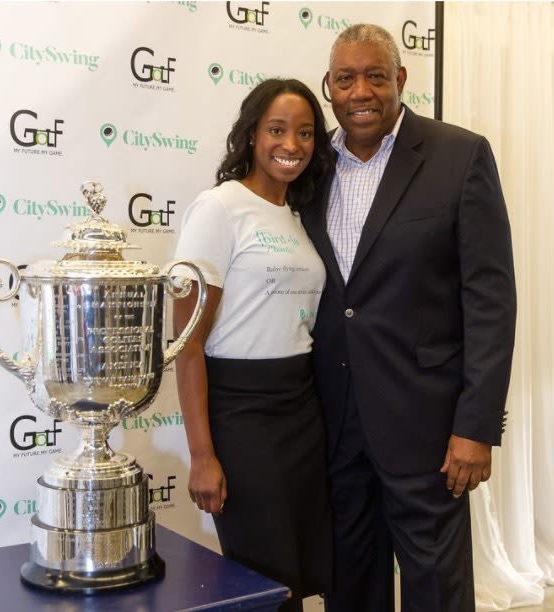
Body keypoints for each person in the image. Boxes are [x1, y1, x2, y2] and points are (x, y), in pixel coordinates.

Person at [299, 24, 517, 612]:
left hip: (428, 426)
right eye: (345, 79)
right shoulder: (310, 171)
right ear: (330, 87)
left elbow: (491, 302)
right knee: (351, 582)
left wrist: (476, 426)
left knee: (436, 588)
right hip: (336, 420)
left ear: (400, 79)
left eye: (375, 75)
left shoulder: (460, 156)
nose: (360, 91)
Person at [172, 78, 334, 612]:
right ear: (251, 135)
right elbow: (187, 344)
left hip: (302, 410)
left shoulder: (299, 216)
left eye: (306, 133)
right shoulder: (218, 208)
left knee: (300, 575)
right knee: (262, 584)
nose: (292, 145)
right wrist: (201, 455)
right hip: (241, 415)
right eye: (277, 130)